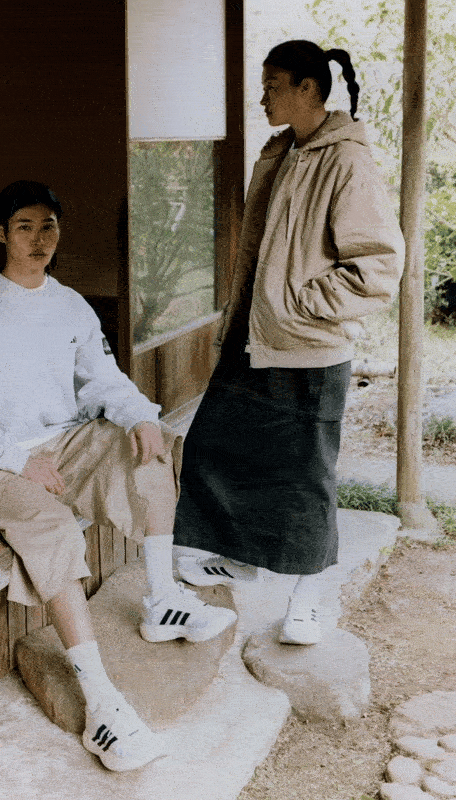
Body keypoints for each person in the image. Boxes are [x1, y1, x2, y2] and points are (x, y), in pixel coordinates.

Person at [0, 180, 236, 772]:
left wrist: (141, 416)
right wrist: (18, 461)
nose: (39, 241)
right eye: (24, 228)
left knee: (152, 449)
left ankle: (163, 599)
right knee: (52, 522)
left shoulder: (68, 304)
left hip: (60, 443)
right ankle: (101, 705)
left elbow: (103, 378)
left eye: (48, 227)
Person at [173, 40, 405, 645]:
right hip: (253, 337)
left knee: (306, 479)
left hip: (307, 347)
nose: (263, 97)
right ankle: (241, 556)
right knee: (213, 446)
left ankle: (308, 600)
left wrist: (301, 305)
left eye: (274, 85)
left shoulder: (347, 160)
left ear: (308, 89)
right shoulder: (282, 152)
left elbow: (378, 267)